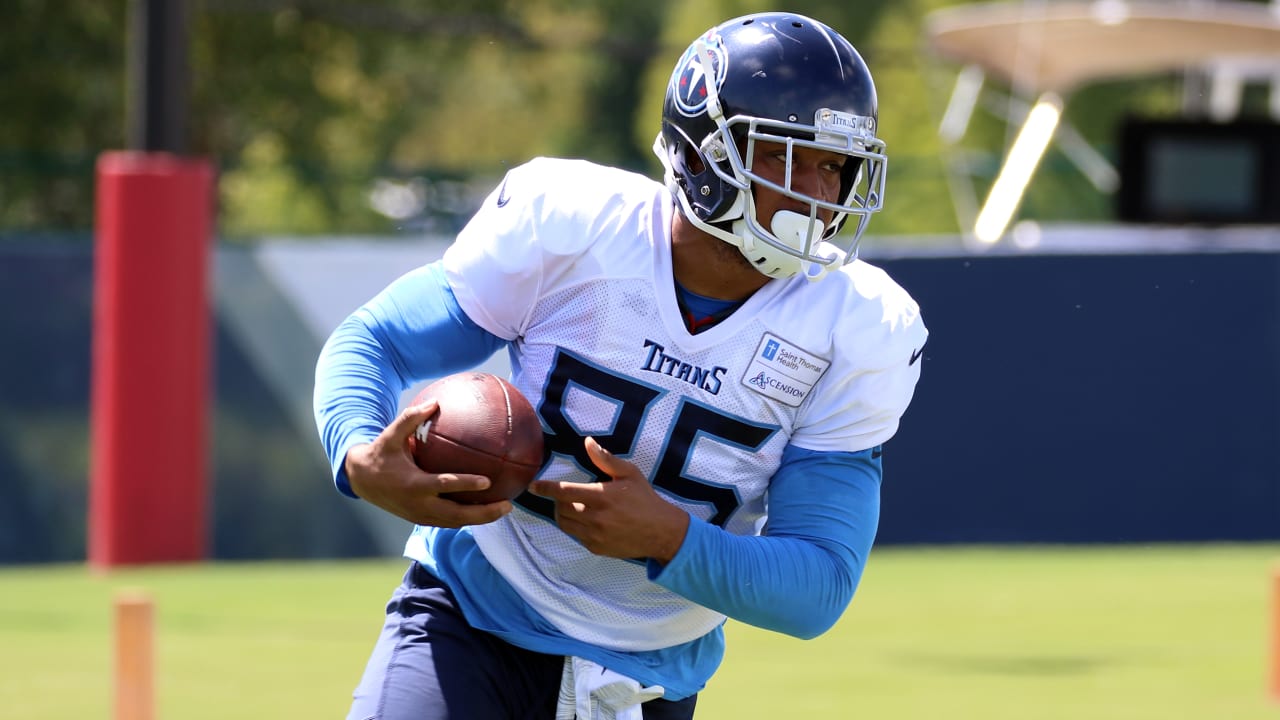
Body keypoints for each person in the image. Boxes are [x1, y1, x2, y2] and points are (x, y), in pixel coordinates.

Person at [313, 11, 927, 720]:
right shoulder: (575, 227)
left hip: (648, 676)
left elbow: (818, 586)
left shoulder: (858, 325)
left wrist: (670, 538)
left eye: (836, 167)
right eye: (792, 159)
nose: (822, 196)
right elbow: (376, 341)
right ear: (704, 154)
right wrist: (359, 451)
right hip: (472, 615)